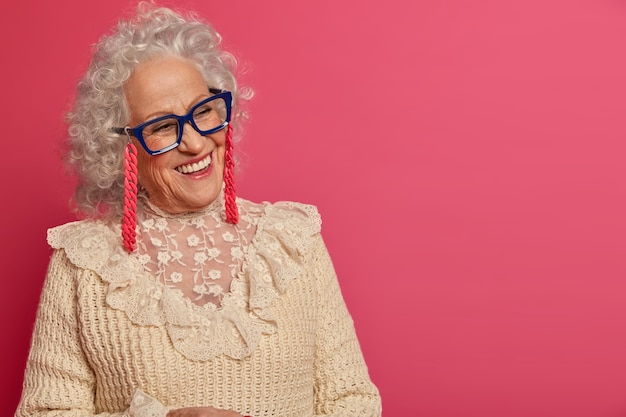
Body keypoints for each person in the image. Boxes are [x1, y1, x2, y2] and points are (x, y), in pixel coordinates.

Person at [15, 3, 381, 417]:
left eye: (204, 111)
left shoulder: (294, 243)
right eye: (163, 126)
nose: (194, 143)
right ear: (123, 147)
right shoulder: (83, 263)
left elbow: (353, 402)